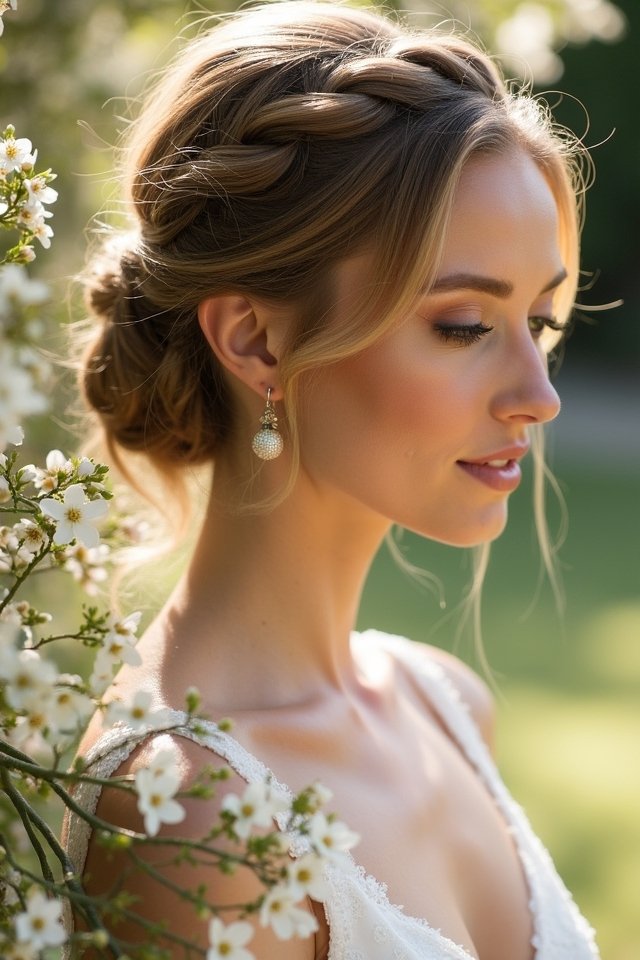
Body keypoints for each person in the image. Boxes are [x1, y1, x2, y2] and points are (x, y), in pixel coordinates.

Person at [65, 2, 599, 958]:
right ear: (256, 339)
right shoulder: (188, 820)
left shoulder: (443, 702)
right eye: (465, 327)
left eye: (543, 324)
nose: (539, 395)